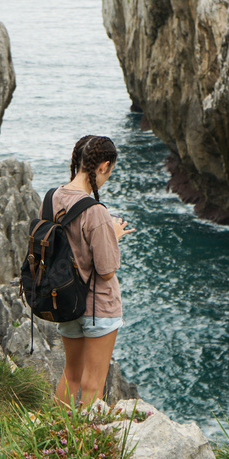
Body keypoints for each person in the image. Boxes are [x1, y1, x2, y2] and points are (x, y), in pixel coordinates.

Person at [50, 135, 134, 407]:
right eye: (109, 171)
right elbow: (106, 270)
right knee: (92, 384)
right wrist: (114, 236)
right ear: (103, 166)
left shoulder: (53, 197)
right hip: (98, 307)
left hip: (65, 301)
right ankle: (84, 445)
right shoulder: (95, 211)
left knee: (71, 375)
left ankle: (55, 438)